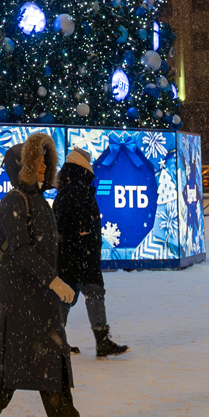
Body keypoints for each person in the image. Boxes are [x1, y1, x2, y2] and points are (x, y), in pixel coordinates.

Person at [0, 135, 103, 417]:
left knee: (48, 355)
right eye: (36, 159)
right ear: (22, 165)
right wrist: (53, 280)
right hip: (18, 296)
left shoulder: (39, 200)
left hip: (37, 295)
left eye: (44, 158)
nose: (43, 164)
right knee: (12, 359)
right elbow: (21, 249)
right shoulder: (15, 200)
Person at [54, 148, 127, 358]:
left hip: (71, 253)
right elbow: (76, 220)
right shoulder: (78, 187)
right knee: (90, 293)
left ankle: (57, 341)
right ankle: (100, 341)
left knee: (68, 296)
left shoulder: (69, 185)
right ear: (83, 166)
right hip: (81, 253)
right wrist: (84, 235)